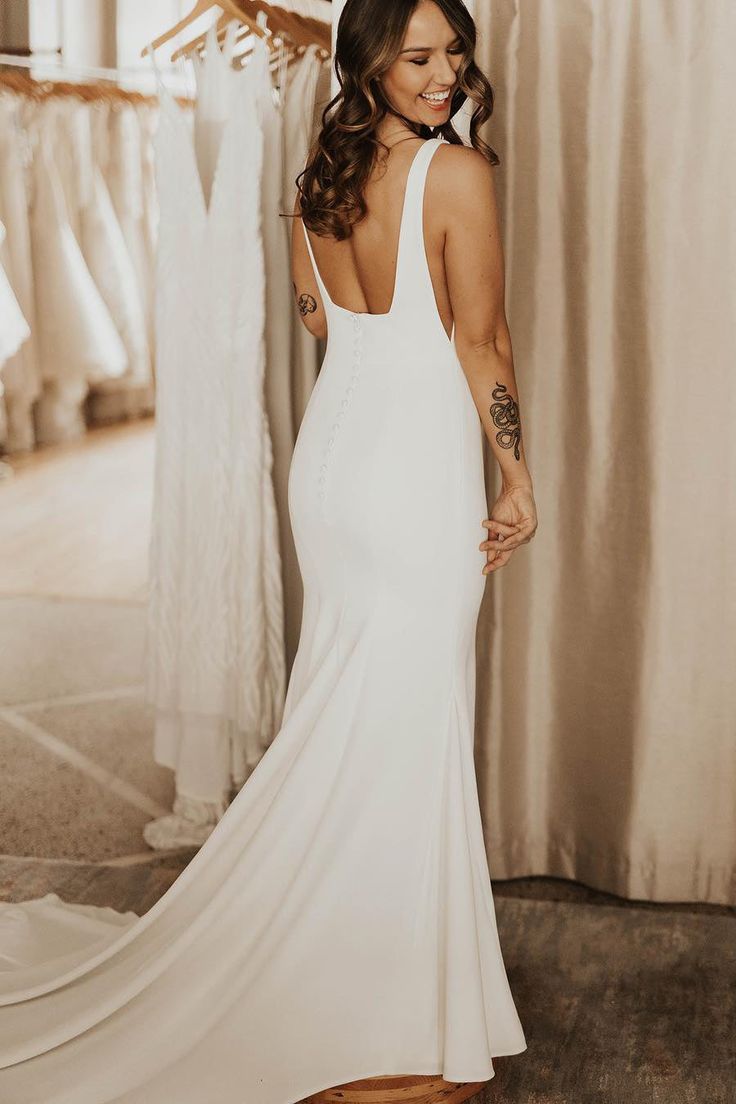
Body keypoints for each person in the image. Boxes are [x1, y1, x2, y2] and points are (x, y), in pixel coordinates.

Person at [0, 2, 538, 1102]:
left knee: (355, 715)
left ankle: (372, 985)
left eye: (456, 55)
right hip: (412, 478)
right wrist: (518, 474)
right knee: (403, 722)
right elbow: (480, 338)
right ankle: (385, 1014)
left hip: (333, 471)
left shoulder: (314, 181)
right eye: (421, 56)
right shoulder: (460, 175)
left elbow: (316, 320)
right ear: (371, 62)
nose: (445, 75)